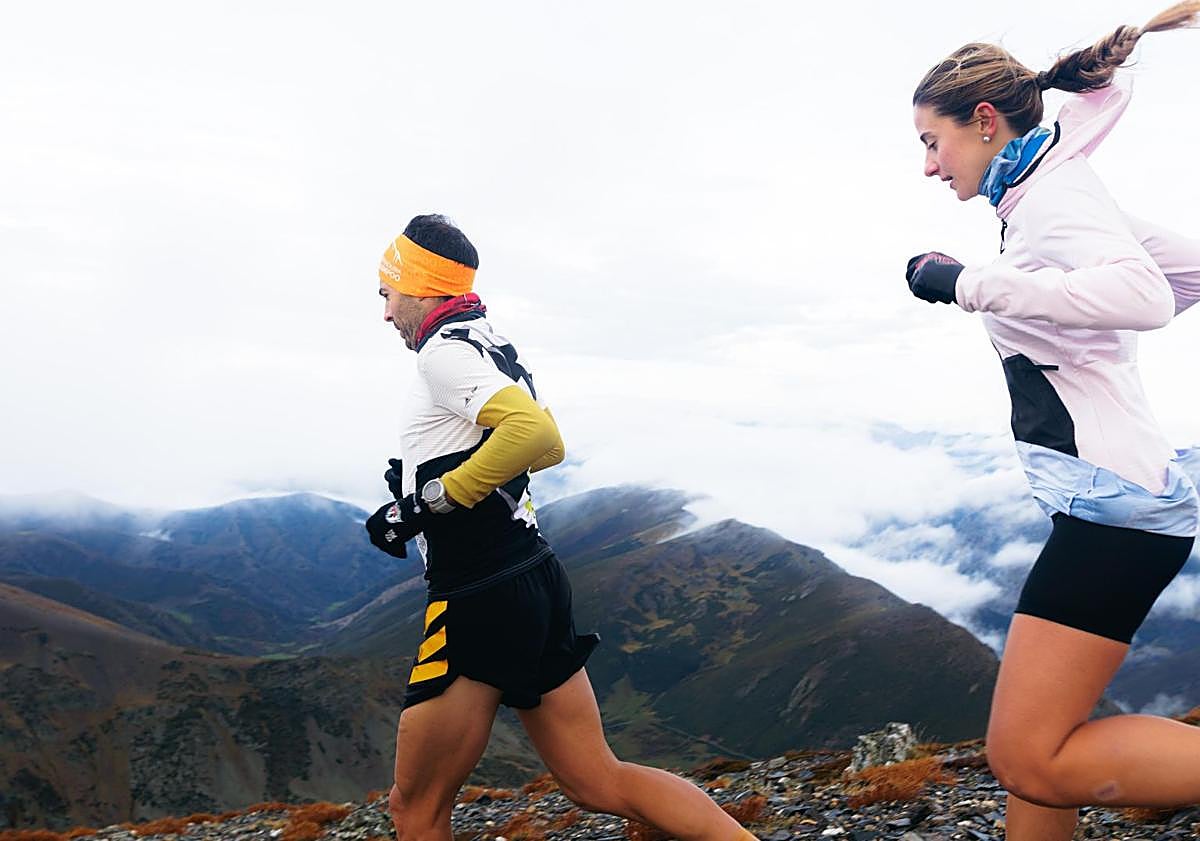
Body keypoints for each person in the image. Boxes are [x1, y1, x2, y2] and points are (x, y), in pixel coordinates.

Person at [906, 3, 1200, 839]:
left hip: (1116, 508)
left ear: (985, 122)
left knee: (1029, 758)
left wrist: (972, 284)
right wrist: (1091, 320)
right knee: (1040, 757)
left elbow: (1140, 296)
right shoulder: (1042, 182)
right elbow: (1177, 279)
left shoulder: (1048, 200)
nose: (929, 166)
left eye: (934, 141)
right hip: (1119, 496)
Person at [366, 214, 757, 841]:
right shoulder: (487, 340)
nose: (385, 313)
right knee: (596, 779)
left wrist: (427, 503)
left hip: (477, 596)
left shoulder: (443, 355)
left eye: (386, 294)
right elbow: (527, 448)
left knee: (414, 808)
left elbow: (538, 437)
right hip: (532, 577)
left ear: (418, 286)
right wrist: (423, 479)